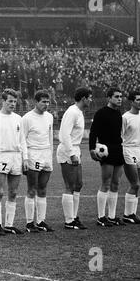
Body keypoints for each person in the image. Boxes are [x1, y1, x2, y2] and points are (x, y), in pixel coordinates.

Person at [0, 89, 26, 236]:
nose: (13, 104)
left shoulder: (18, 119)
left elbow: (22, 140)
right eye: (10, 101)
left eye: (15, 101)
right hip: (0, 157)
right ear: (3, 101)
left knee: (13, 192)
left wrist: (25, 158)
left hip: (16, 157)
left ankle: (9, 225)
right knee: (0, 192)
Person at [89, 87, 126, 227]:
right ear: (109, 98)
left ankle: (112, 216)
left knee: (116, 183)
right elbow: (93, 132)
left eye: (121, 96)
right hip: (107, 150)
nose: (119, 99)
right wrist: (92, 149)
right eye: (116, 96)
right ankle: (101, 217)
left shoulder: (118, 113)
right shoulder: (101, 113)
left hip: (118, 149)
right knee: (106, 182)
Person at [57, 87, 92, 230]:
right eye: (89, 97)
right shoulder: (72, 112)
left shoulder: (79, 112)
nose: (91, 100)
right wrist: (71, 153)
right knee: (70, 185)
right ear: (83, 98)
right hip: (67, 151)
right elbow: (64, 134)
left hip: (74, 149)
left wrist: (76, 151)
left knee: (79, 184)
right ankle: (69, 220)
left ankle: (74, 216)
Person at [22, 90, 54, 233]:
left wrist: (50, 155)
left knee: (42, 189)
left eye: (48, 102)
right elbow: (22, 139)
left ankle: (41, 221)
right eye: (43, 102)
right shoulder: (27, 118)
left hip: (46, 154)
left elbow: (50, 137)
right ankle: (29, 223)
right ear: (36, 102)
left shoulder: (49, 117)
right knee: (32, 189)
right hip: (33, 154)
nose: (46, 104)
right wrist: (25, 158)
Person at [121, 91, 140, 224]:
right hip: (128, 150)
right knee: (135, 184)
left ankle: (132, 213)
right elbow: (120, 136)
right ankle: (128, 214)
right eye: (138, 100)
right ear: (131, 102)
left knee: (136, 185)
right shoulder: (125, 117)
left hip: (139, 151)